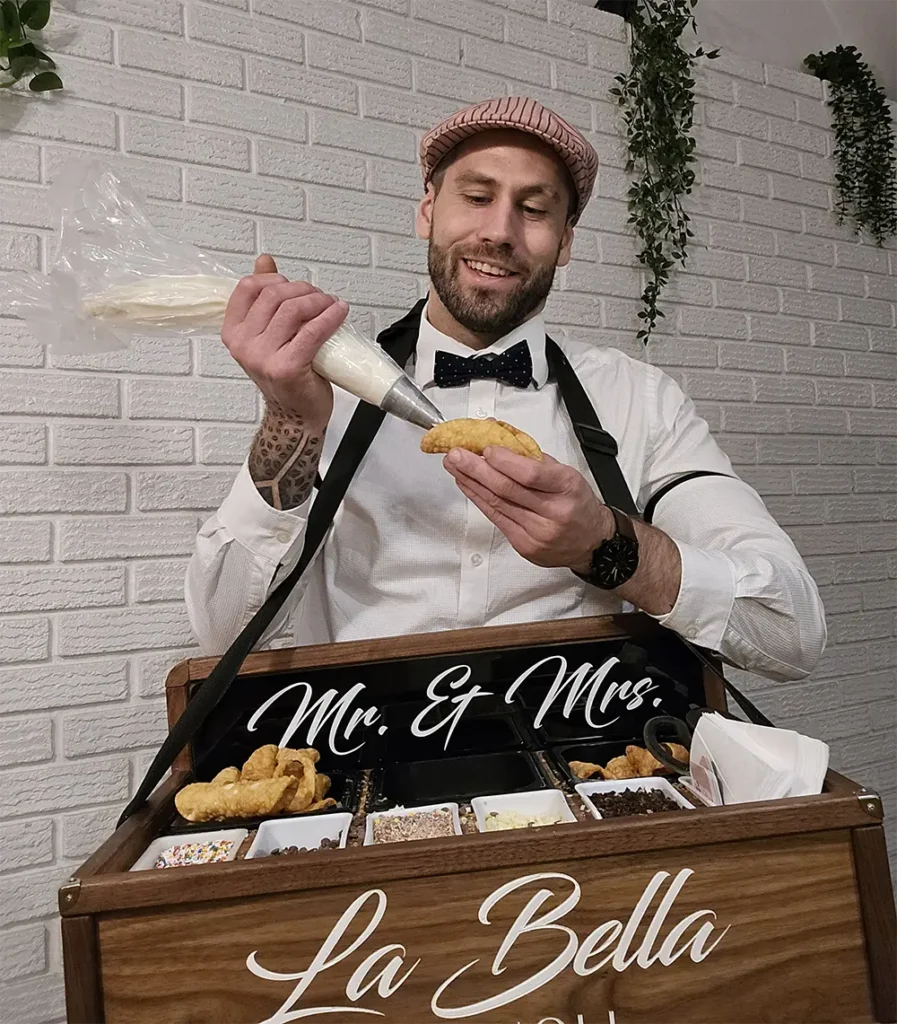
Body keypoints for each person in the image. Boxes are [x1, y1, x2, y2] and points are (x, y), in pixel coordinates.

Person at [185, 96, 825, 683]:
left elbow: (790, 631)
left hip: (589, 769)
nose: (499, 231)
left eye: (535, 208)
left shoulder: (640, 401)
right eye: (476, 196)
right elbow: (223, 632)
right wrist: (290, 423)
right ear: (428, 209)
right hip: (371, 764)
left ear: (566, 240)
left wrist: (604, 545)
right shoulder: (329, 394)